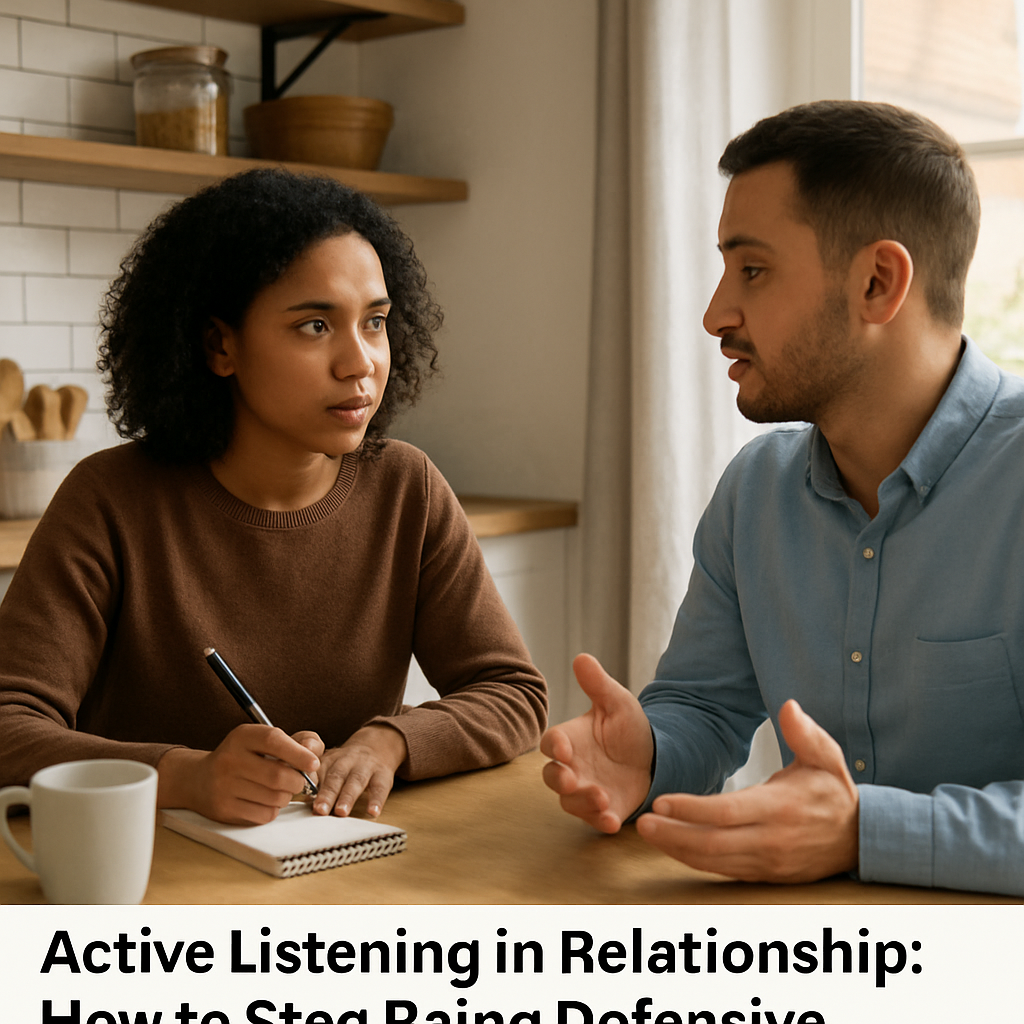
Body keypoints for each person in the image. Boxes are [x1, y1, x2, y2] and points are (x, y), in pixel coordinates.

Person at [542, 100, 1024, 897]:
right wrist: (650, 755)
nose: (714, 314)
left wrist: (863, 831)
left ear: (878, 282)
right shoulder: (755, 491)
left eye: (752, 270)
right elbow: (703, 707)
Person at [0, 168, 547, 826]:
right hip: (151, 884)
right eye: (315, 326)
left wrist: (390, 741)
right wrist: (186, 776)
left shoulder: (407, 488)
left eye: (374, 323)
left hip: (334, 876)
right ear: (219, 345)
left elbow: (512, 693)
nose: (361, 362)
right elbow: (9, 726)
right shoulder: (109, 499)